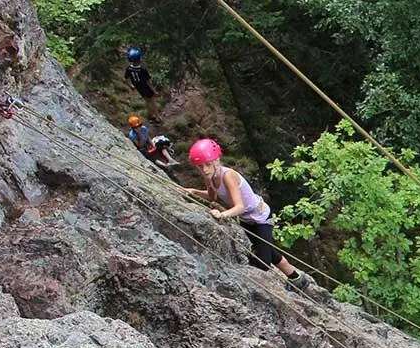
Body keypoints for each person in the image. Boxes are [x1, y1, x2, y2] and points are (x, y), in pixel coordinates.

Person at [178, 137, 308, 288]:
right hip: (247, 219)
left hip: (260, 218)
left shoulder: (228, 176)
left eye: (208, 164)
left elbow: (239, 207)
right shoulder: (210, 177)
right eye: (200, 166)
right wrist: (193, 191)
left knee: (263, 263)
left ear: (217, 160)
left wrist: (223, 214)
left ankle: (294, 281)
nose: (205, 169)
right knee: (268, 252)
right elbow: (211, 196)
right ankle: (297, 279)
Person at [123, 48, 159, 117]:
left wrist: (131, 86)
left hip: (138, 87)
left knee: (146, 100)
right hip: (146, 87)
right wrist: (154, 91)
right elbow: (148, 82)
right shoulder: (143, 69)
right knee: (152, 101)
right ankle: (157, 116)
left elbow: (126, 79)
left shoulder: (129, 68)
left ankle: (150, 114)